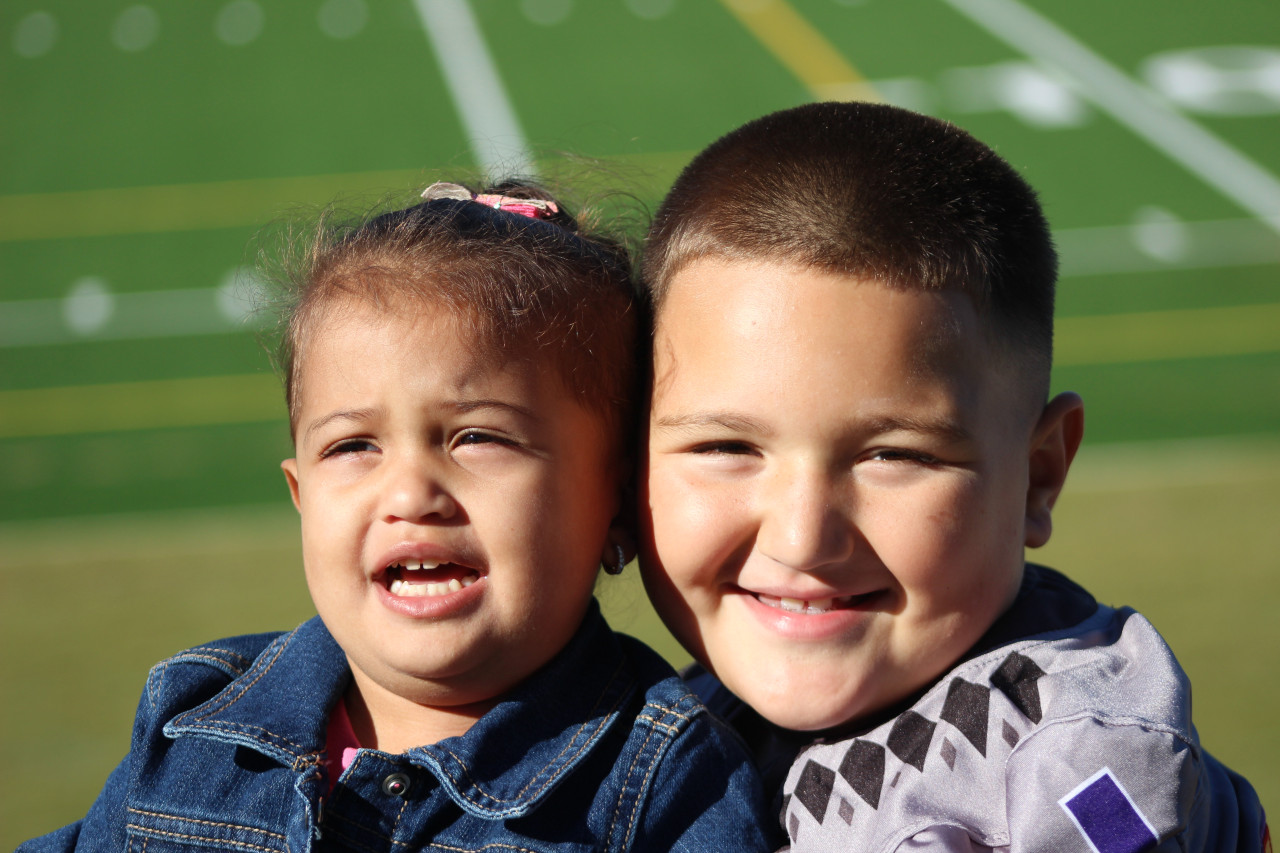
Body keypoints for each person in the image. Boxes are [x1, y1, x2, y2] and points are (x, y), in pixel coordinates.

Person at [20, 181, 774, 852]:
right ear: (301, 495)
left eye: (477, 436)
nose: (411, 492)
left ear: (617, 504)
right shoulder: (195, 720)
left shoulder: (668, 782)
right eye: (353, 445)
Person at [639, 102, 1270, 851]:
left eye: (895, 455)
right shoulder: (683, 709)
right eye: (727, 447)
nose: (802, 536)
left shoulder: (1089, 767)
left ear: (1038, 476)